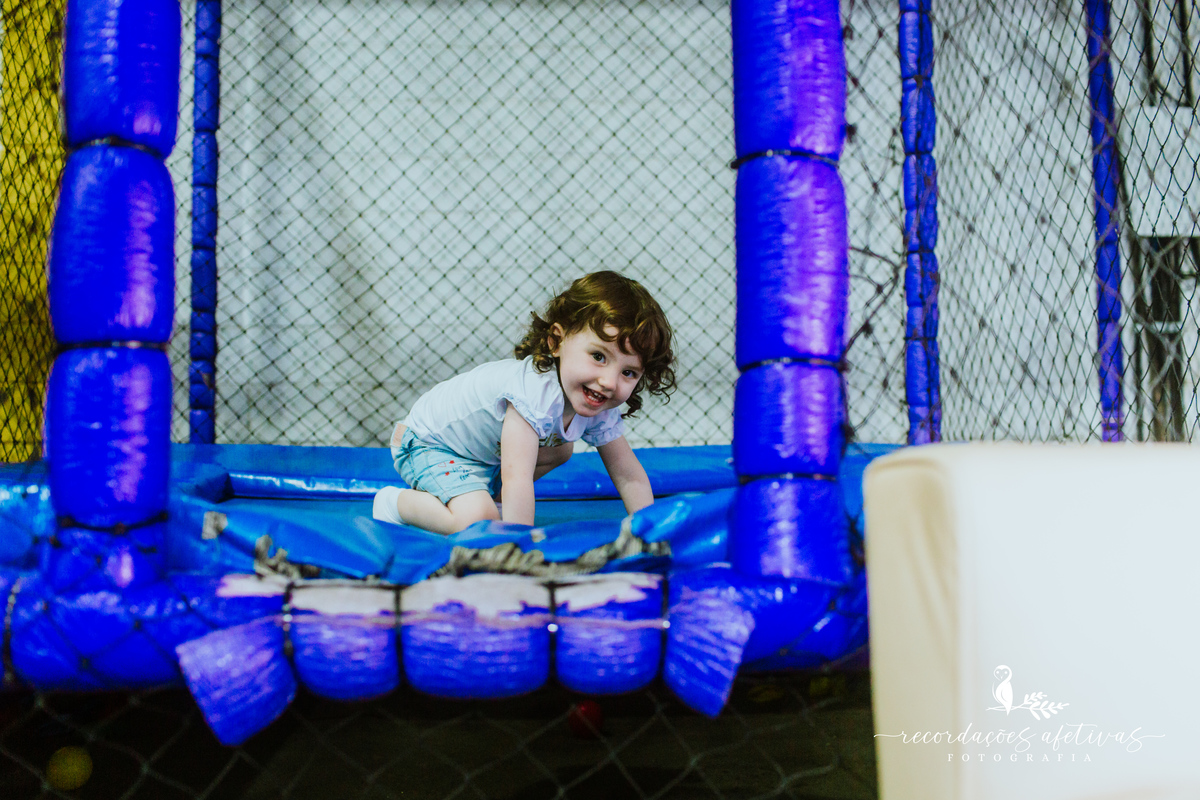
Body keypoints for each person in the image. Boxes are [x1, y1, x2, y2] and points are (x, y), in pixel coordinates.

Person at [372, 271, 676, 534]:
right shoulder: (534, 396)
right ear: (556, 342)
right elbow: (517, 477)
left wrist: (650, 529)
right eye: (598, 356)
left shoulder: (598, 400)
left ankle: (493, 499)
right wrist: (519, 543)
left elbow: (628, 474)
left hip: (479, 455)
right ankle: (394, 504)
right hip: (427, 444)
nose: (610, 382)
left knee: (561, 449)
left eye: (628, 372)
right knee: (479, 519)